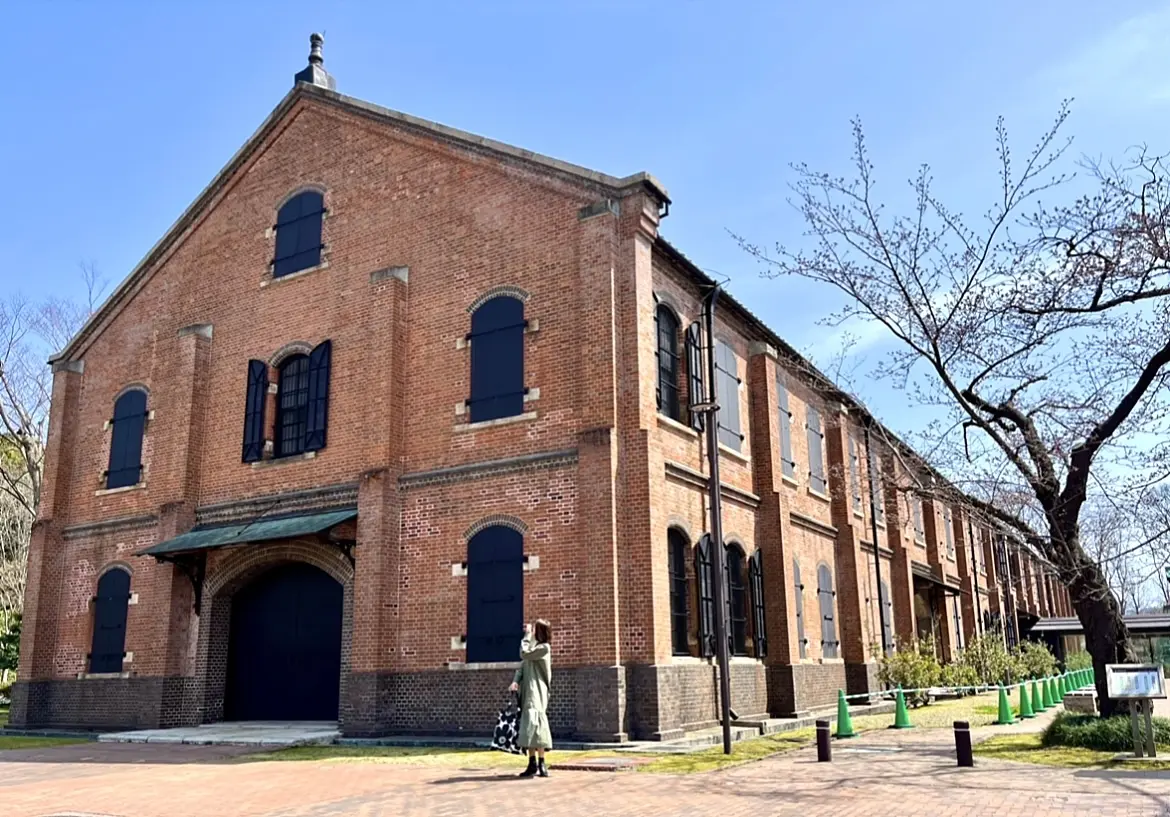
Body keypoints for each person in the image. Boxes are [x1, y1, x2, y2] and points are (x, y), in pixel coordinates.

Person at [509, 619, 552, 778]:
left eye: (534, 629)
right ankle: (532, 762)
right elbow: (522, 666)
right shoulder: (533, 647)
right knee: (529, 725)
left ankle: (542, 762)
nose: (531, 630)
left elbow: (524, 653)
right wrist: (515, 681)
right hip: (527, 690)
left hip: (537, 691)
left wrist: (526, 636)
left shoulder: (544, 648)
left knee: (537, 724)